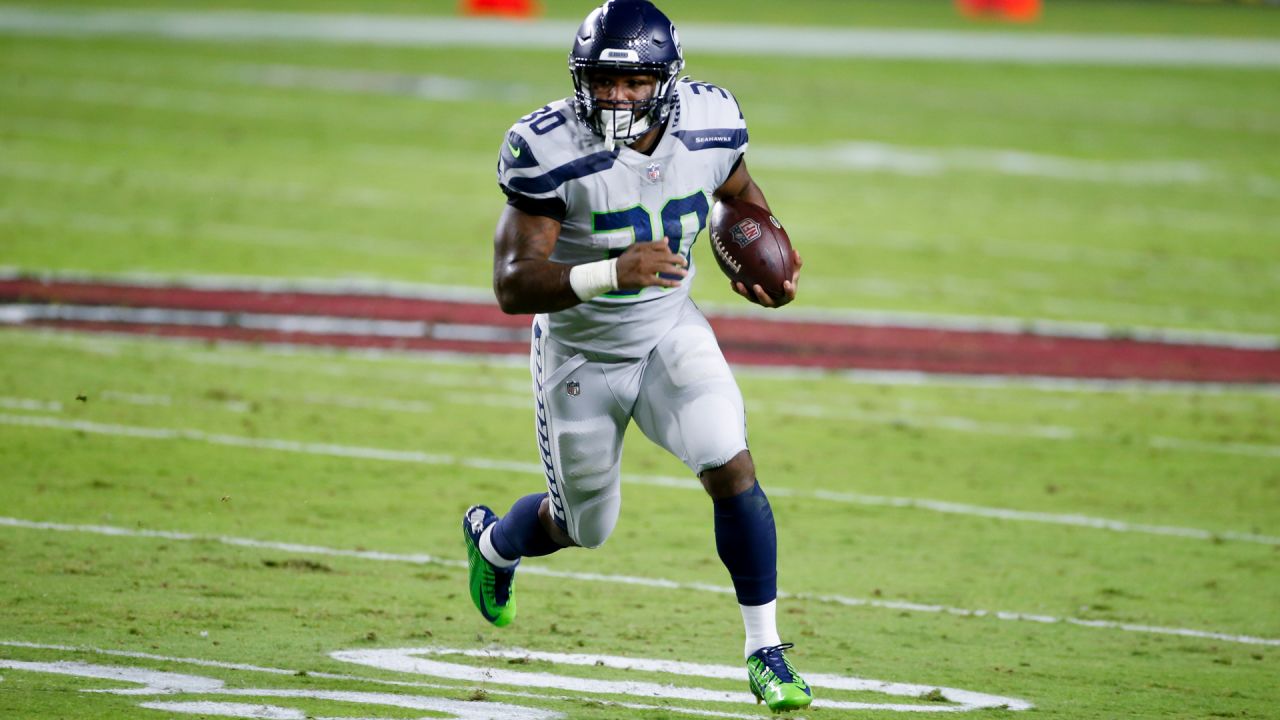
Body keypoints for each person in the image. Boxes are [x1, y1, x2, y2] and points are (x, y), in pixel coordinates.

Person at [462, 0, 810, 712]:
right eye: (602, 80)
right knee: (583, 528)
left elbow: (736, 191)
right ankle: (497, 544)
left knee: (729, 460)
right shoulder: (548, 145)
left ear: (667, 80)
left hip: (667, 331)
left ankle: (766, 652)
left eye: (634, 81)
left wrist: (761, 245)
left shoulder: (710, 121)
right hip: (580, 354)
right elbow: (510, 284)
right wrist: (609, 272)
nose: (616, 96)